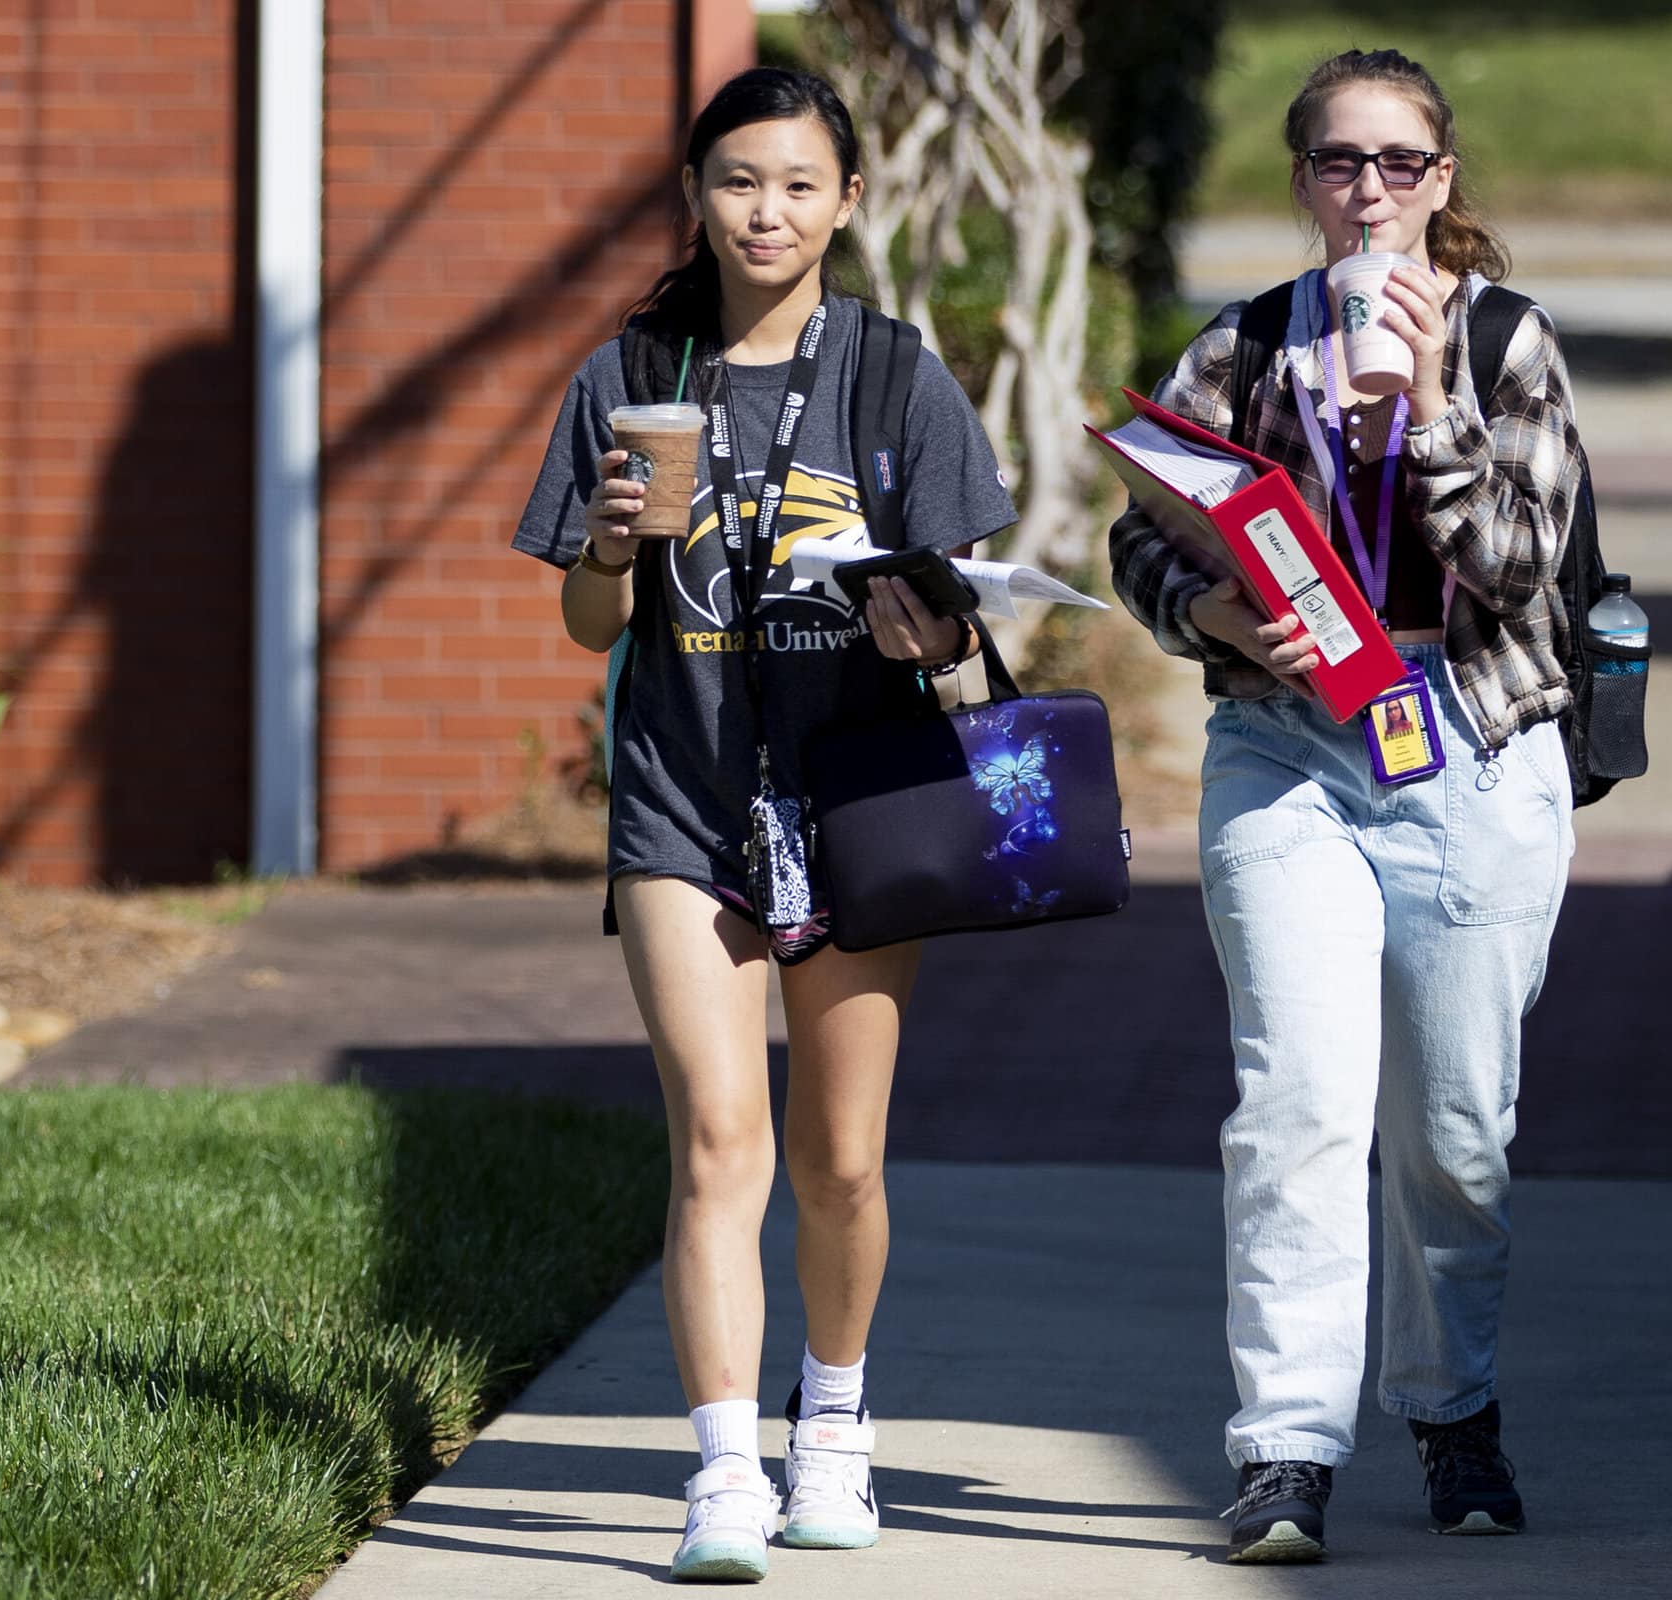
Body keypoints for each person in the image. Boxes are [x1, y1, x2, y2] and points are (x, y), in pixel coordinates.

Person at [512, 66, 1017, 1584]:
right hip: (685, 800)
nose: (767, 211)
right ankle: (725, 1464)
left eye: (799, 184)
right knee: (720, 1145)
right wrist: (608, 545)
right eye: (739, 181)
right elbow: (591, 624)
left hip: (862, 799)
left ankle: (837, 1430)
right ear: (696, 194)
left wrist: (930, 634)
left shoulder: (891, 375)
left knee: (841, 1160)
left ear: (847, 202)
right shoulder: (629, 372)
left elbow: (962, 625)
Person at [1108, 48, 1583, 1564]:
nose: (1369, 191)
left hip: (1472, 740)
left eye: (1399, 163)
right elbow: (1146, 536)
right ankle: (1285, 1451)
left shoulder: (1509, 343)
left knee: (1454, 1127)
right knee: (1301, 1103)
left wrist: (1427, 400)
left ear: (1443, 180)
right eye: (1338, 163)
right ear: (1301, 180)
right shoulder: (1241, 349)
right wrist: (1214, 621)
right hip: (1287, 744)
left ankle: (1453, 1408)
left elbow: (1518, 570)